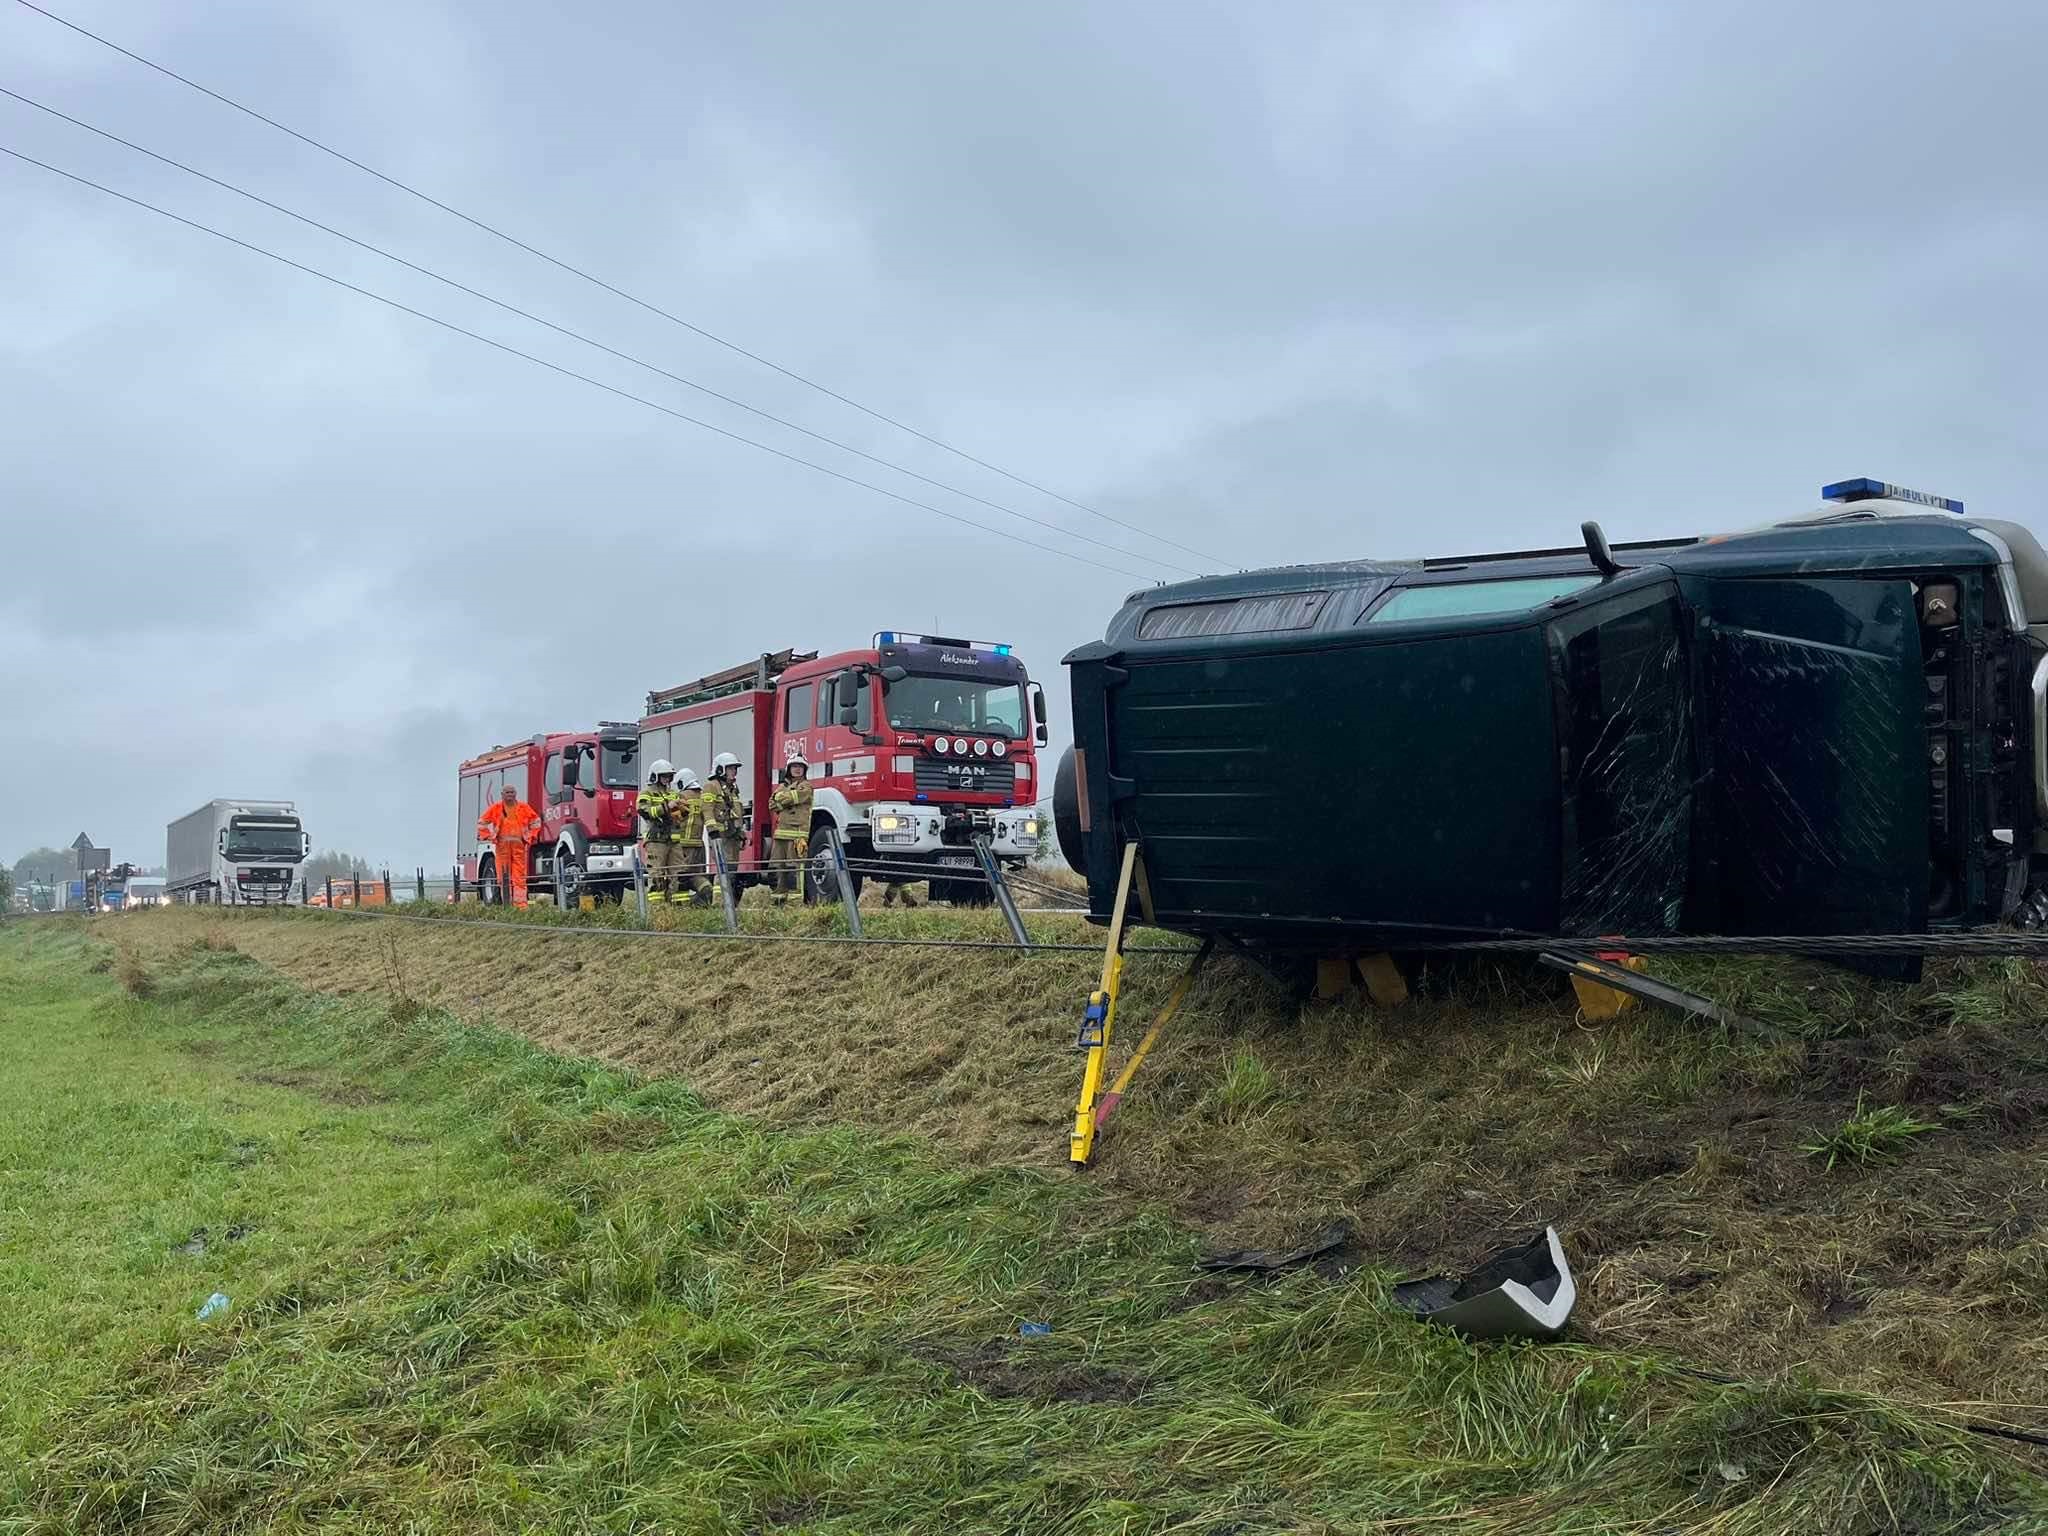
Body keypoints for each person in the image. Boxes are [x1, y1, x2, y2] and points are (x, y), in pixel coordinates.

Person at [476, 781, 544, 907]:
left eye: (512, 792)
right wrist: (489, 836)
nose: (510, 795)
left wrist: (531, 836)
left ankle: (520, 905)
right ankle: (508, 904)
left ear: (516, 794)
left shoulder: (524, 808)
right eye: (507, 792)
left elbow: (536, 822)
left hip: (518, 846)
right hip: (502, 847)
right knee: (503, 876)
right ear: (502, 794)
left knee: (519, 876)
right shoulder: (496, 808)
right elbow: (481, 823)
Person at [637, 759, 687, 900]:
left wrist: (683, 810)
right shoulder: (646, 793)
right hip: (656, 840)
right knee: (657, 874)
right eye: (663, 776)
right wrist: (667, 807)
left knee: (678, 873)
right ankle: (657, 908)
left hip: (674, 840)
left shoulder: (673, 793)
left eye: (669, 776)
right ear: (655, 776)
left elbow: (679, 817)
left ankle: (678, 905)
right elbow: (645, 812)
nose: (667, 779)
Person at [766, 758, 813, 901]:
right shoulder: (782, 786)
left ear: (805, 770)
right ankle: (777, 900)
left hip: (797, 835)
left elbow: (793, 797)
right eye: (794, 766)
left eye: (800, 767)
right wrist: (782, 799)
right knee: (776, 868)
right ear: (789, 769)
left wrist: (781, 798)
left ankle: (794, 902)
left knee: (794, 870)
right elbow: (771, 805)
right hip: (780, 835)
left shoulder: (806, 787)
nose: (797, 769)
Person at [700, 752, 747, 892]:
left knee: (732, 869)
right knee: (723, 868)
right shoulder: (711, 786)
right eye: (731, 768)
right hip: (720, 835)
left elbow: (736, 812)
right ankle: (720, 903)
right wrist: (712, 831)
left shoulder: (732, 789)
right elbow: (707, 809)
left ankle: (730, 904)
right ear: (720, 769)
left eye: (735, 769)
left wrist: (741, 832)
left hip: (733, 835)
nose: (734, 772)